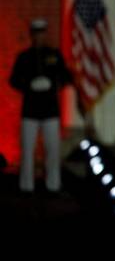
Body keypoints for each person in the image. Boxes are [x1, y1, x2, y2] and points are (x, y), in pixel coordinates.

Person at [9, 18, 73, 195]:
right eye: (36, 33)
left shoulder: (54, 54)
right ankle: (26, 186)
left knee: (52, 150)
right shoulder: (24, 57)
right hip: (29, 111)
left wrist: (53, 84)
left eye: (42, 33)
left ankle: (53, 185)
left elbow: (66, 77)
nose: (39, 36)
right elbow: (13, 80)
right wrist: (28, 84)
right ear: (32, 35)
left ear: (45, 34)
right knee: (27, 151)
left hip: (50, 110)